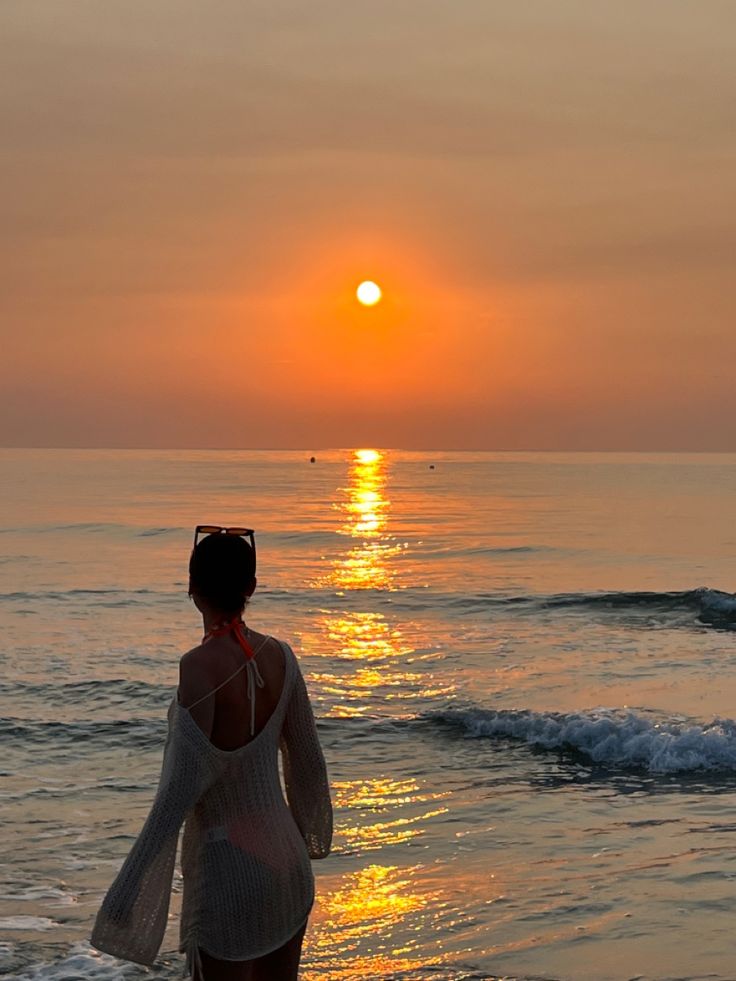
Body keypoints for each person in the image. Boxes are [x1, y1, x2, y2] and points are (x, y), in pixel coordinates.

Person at [91, 526, 333, 980]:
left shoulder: (197, 666)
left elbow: (178, 792)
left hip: (228, 876)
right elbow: (308, 762)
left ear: (192, 587)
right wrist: (313, 836)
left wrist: (129, 890)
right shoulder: (281, 655)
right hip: (288, 866)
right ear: (251, 588)